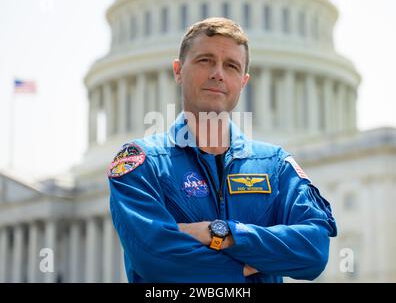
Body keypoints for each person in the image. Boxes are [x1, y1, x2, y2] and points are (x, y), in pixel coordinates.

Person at [107, 17, 337, 283]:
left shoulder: (275, 166)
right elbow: (154, 256)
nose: (217, 73)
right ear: (178, 70)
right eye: (205, 60)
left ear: (243, 81)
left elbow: (314, 250)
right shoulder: (141, 164)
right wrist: (248, 265)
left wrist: (220, 233)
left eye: (231, 66)